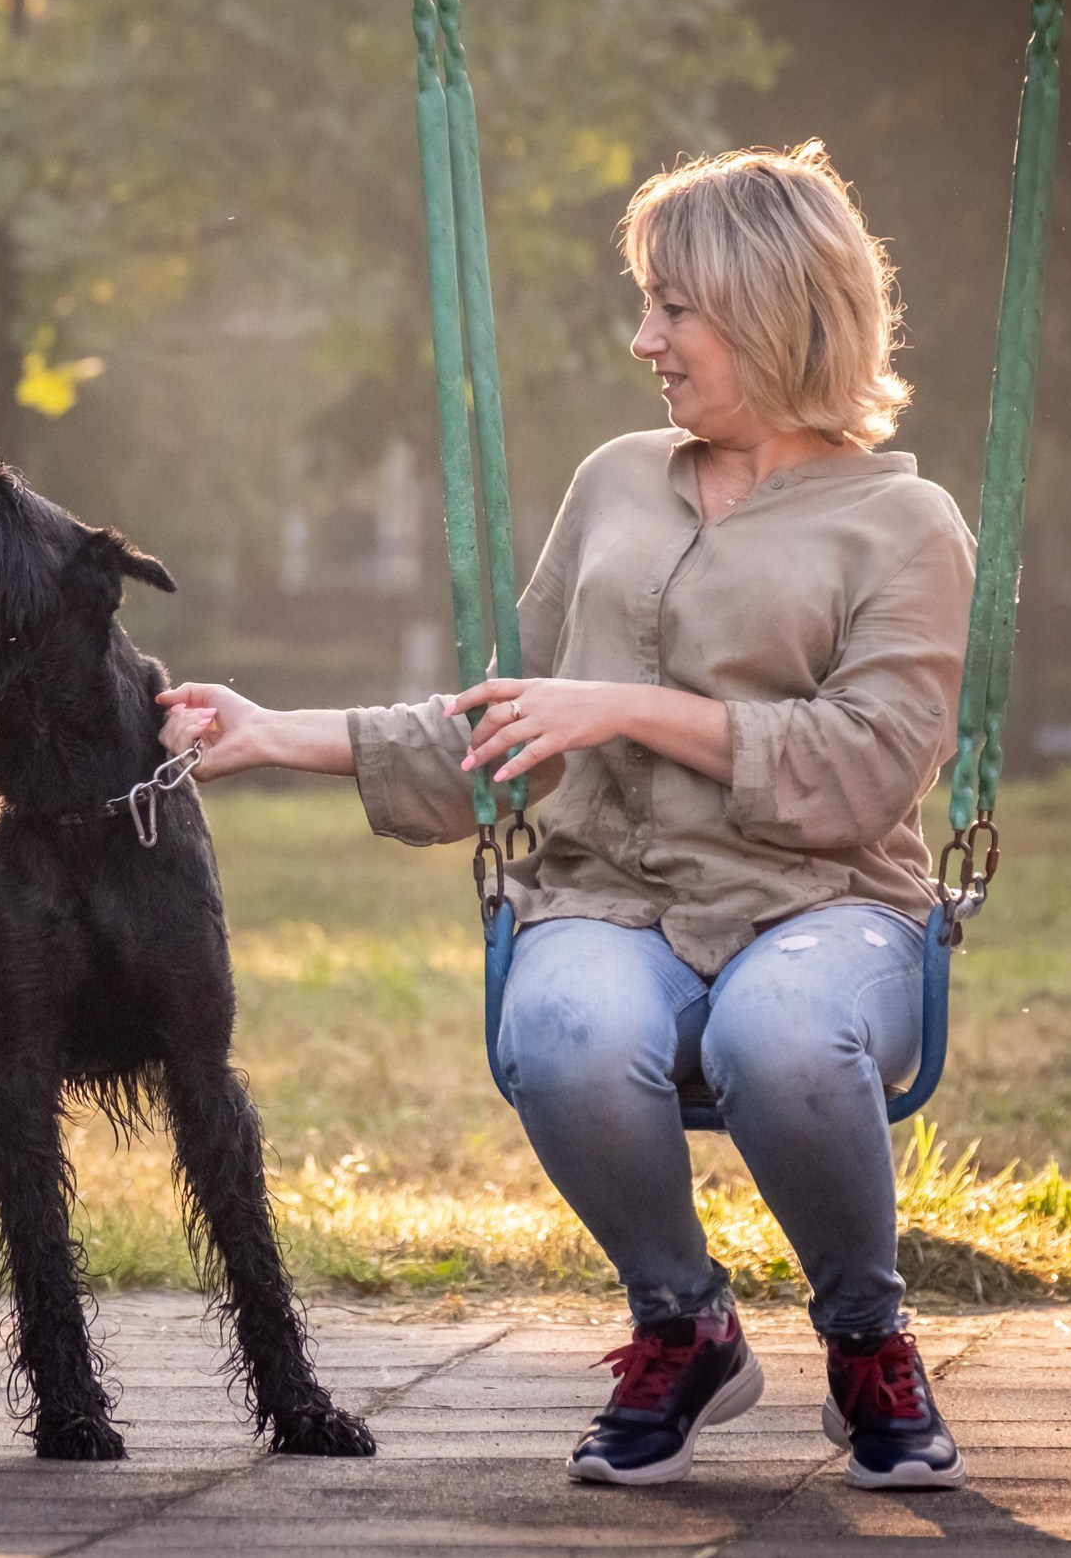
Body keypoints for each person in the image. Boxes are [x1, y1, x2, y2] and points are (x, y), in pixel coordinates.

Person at [159, 143, 974, 1491]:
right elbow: (515, 724)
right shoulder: (616, 483)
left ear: (772, 307)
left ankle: (866, 1336)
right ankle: (685, 1321)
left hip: (829, 908)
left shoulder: (905, 522)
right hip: (611, 895)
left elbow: (869, 766)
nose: (643, 337)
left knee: (782, 1037)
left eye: (674, 308)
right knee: (565, 1031)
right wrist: (271, 735)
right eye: (647, 305)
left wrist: (635, 710)